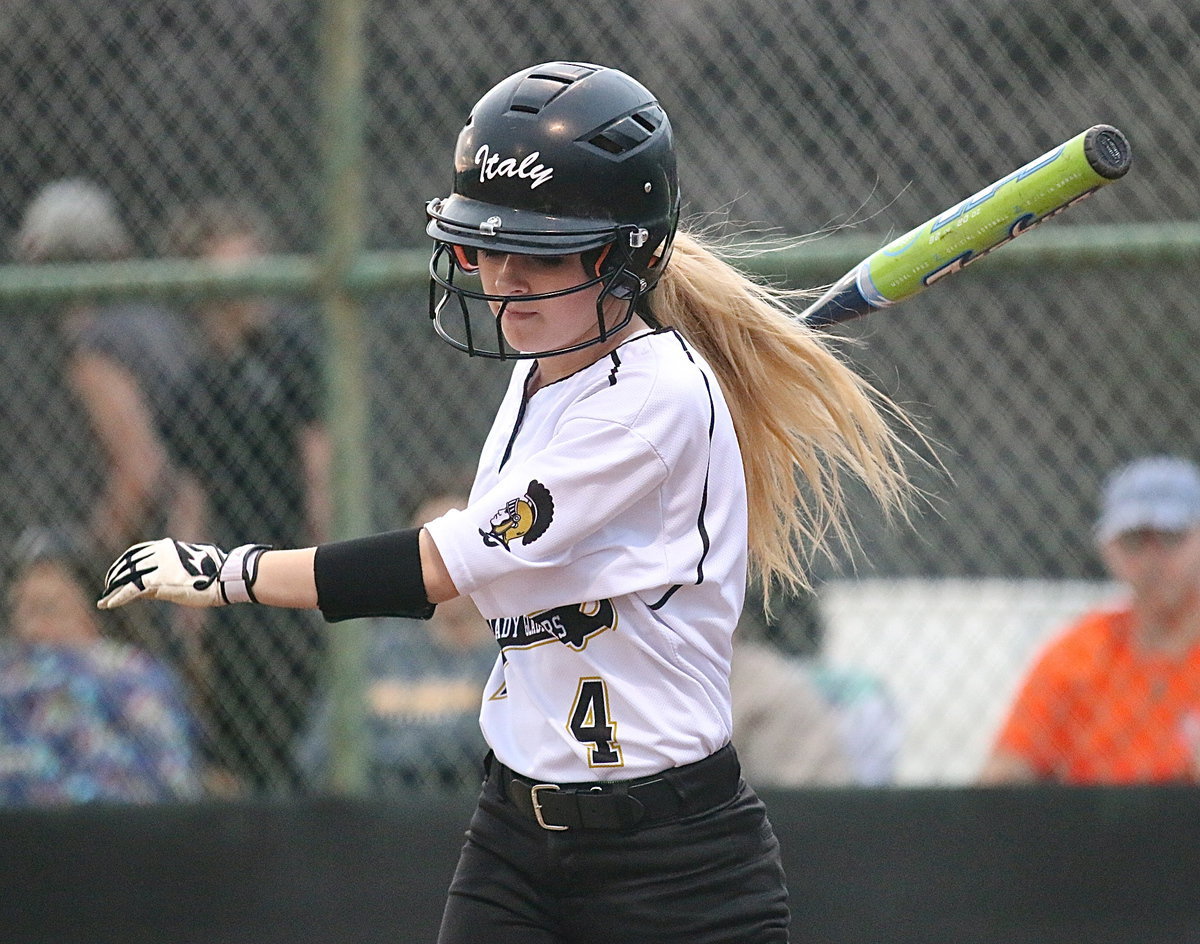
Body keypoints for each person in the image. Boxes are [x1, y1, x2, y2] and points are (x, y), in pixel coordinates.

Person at [97, 62, 916, 943]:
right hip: (515, 835)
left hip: (670, 863)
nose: (502, 277)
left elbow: (440, 567)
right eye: (486, 245)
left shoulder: (654, 401)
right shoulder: (541, 369)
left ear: (624, 253)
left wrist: (229, 571)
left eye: (540, 253)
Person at [157, 198, 333, 794]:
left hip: (296, 569)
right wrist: (192, 611)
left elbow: (319, 469)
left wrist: (329, 565)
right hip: (230, 580)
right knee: (235, 745)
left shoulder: (292, 357)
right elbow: (190, 499)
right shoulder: (192, 384)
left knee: (306, 728)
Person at [980, 455, 1200, 784]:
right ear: (1107, 549)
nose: (1152, 560)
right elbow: (1001, 778)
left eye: (1171, 538)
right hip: (1096, 830)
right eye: (1135, 541)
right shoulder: (1080, 655)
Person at [298, 490, 496, 792]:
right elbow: (319, 754)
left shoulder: (513, 651)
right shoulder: (379, 651)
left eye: (455, 548)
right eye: (429, 551)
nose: (443, 565)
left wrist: (391, 756)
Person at [0, 527, 200, 805]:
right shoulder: (8, 673)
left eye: (47, 610)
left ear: (91, 616)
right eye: (21, 610)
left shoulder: (129, 674)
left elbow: (171, 775)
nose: (30, 628)